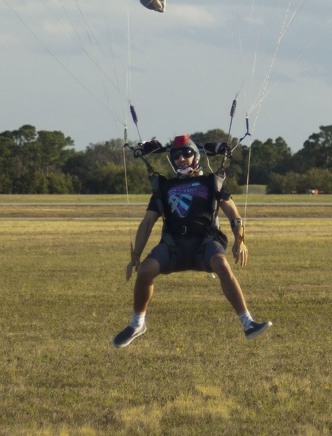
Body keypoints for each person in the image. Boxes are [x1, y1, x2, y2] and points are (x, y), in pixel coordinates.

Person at [113, 134, 272, 348]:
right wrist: (136, 256)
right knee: (145, 271)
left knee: (222, 264)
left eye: (186, 154)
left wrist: (240, 240)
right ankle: (137, 324)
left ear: (195, 156)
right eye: (176, 156)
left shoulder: (211, 182)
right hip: (174, 245)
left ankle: (247, 323)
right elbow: (147, 222)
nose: (181, 159)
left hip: (204, 242)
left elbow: (234, 214)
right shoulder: (164, 187)